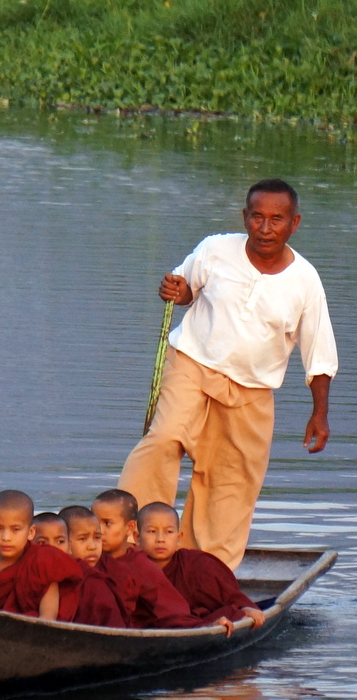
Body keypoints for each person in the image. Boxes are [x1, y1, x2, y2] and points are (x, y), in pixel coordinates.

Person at [119, 178, 338, 570]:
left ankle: (204, 570)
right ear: (244, 217)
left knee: (229, 483)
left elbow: (319, 355)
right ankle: (129, 545)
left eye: (276, 219)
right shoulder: (216, 249)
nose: (265, 228)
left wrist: (319, 413)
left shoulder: (306, 281)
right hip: (192, 364)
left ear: (294, 223)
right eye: (257, 217)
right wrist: (176, 290)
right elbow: (186, 288)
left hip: (251, 391)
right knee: (164, 439)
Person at [137, 501, 266, 628]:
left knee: (231, 613)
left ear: (179, 538)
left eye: (169, 532)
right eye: (152, 531)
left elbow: (230, 596)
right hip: (172, 623)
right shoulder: (132, 568)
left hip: (197, 620)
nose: (160, 539)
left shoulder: (197, 564)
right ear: (137, 537)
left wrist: (244, 608)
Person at [0, 490, 82, 621]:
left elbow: (48, 617)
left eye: (15, 529)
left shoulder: (42, 560)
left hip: (33, 628)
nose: (6, 537)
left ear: (31, 532)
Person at [91, 490, 199, 630]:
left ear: (130, 527)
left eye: (107, 523)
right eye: (94, 522)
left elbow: (172, 609)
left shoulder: (140, 565)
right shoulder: (88, 557)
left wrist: (205, 627)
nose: (99, 531)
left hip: (124, 633)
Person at [61, 505, 128, 627]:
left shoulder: (96, 582)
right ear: (65, 541)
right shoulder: (53, 572)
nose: (92, 546)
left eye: (97, 538)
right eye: (83, 539)